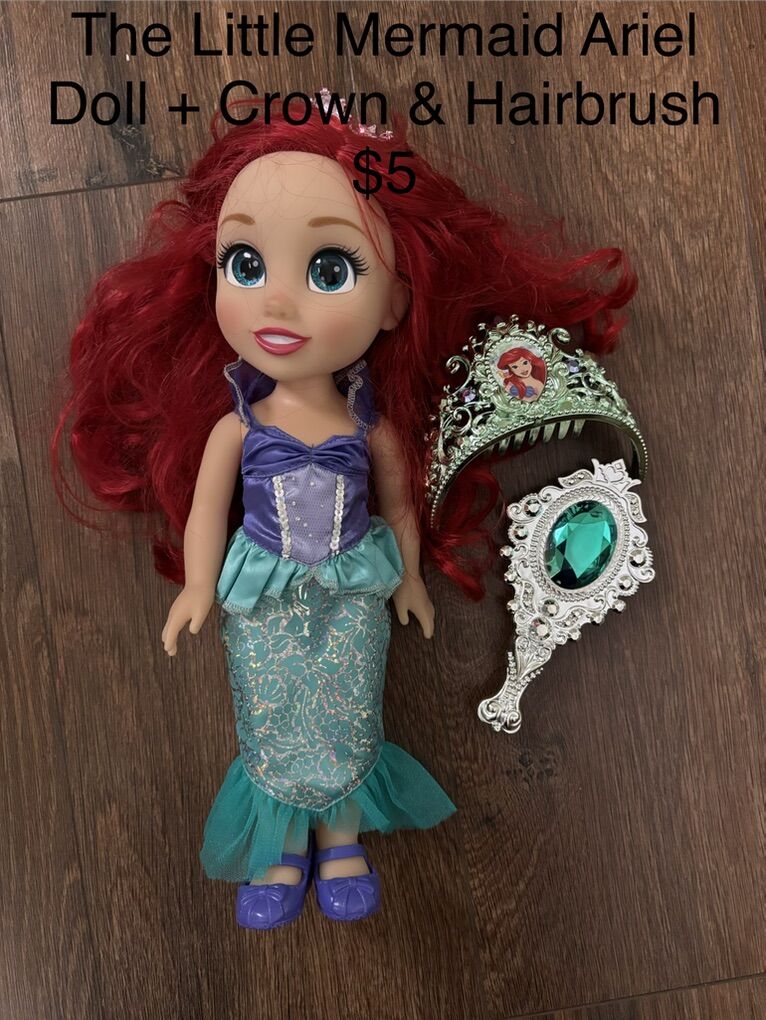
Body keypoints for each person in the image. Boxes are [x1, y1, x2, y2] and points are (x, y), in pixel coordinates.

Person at [51, 99, 635, 929]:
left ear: (394, 302)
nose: (276, 303)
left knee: (351, 709)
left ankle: (342, 834)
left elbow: (398, 506)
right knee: (269, 711)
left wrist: (410, 579)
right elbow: (208, 509)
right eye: (245, 263)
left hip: (355, 589)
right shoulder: (237, 428)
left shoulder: (372, 431)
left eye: (329, 271)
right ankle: (280, 843)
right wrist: (198, 588)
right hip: (262, 596)